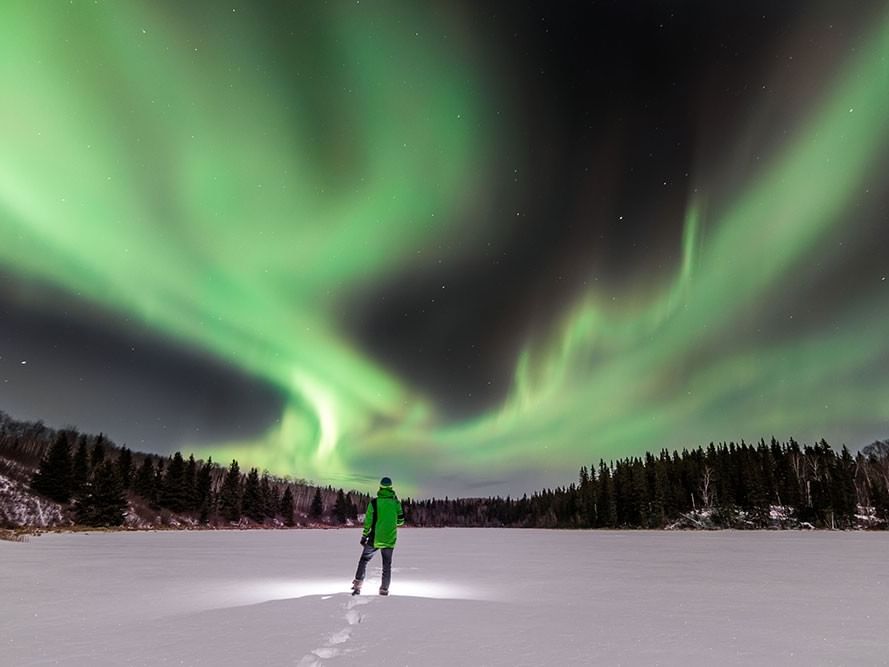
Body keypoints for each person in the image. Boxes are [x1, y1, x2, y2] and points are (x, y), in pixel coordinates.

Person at [352, 476, 405, 596]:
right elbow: (401, 521)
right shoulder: (396, 503)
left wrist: (364, 536)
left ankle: (357, 586)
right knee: (387, 565)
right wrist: (390, 521)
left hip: (374, 538)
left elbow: (368, 521)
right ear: (391, 488)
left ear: (380, 487)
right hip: (390, 538)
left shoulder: (374, 503)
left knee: (364, 560)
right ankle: (384, 590)